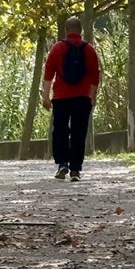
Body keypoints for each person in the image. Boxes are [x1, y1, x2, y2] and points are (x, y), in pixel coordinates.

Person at [41, 16, 100, 182]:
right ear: (80, 31)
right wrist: (92, 97)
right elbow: (95, 76)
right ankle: (75, 170)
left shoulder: (57, 48)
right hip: (82, 97)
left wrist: (46, 96)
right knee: (78, 133)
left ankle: (62, 164)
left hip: (61, 97)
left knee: (60, 131)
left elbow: (48, 75)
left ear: (66, 30)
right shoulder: (89, 49)